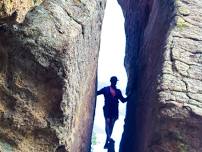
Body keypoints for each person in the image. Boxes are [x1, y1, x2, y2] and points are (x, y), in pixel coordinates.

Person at [97, 76, 128, 149]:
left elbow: (123, 100)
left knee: (111, 125)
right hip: (107, 107)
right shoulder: (105, 89)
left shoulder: (118, 91)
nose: (115, 82)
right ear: (111, 81)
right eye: (114, 81)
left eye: (115, 81)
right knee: (107, 122)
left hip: (114, 109)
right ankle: (108, 139)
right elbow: (97, 93)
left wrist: (130, 95)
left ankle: (107, 141)